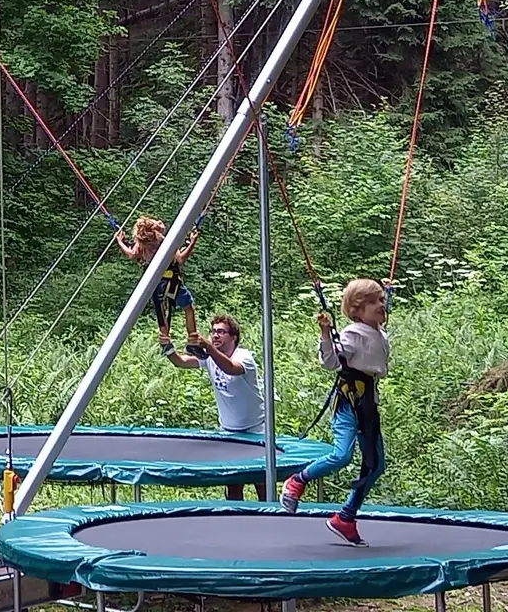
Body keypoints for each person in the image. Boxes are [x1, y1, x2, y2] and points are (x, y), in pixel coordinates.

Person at [279, 278, 391, 546]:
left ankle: (346, 517)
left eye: (381, 301)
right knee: (342, 455)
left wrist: (386, 294)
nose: (381, 305)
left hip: (368, 405)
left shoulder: (379, 332)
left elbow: (378, 339)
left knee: (376, 467)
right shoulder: (353, 333)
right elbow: (331, 361)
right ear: (357, 310)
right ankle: (298, 480)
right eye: (374, 302)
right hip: (349, 402)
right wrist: (326, 335)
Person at [113, 216, 205, 364]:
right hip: (172, 280)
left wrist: (119, 242)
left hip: (155, 284)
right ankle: (192, 339)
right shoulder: (166, 243)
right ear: (155, 231)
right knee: (188, 307)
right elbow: (180, 259)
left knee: (161, 312)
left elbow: (131, 255)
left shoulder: (141, 246)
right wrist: (192, 242)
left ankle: (165, 341)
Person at [199, 313, 265, 501]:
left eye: (221, 332)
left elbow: (230, 368)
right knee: (233, 484)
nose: (216, 335)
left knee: (261, 481)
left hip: (255, 429)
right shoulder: (210, 356)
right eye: (213, 332)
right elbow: (182, 361)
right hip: (229, 431)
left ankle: (270, 520)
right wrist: (168, 348)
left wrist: (209, 348)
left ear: (233, 337)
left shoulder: (244, 357)